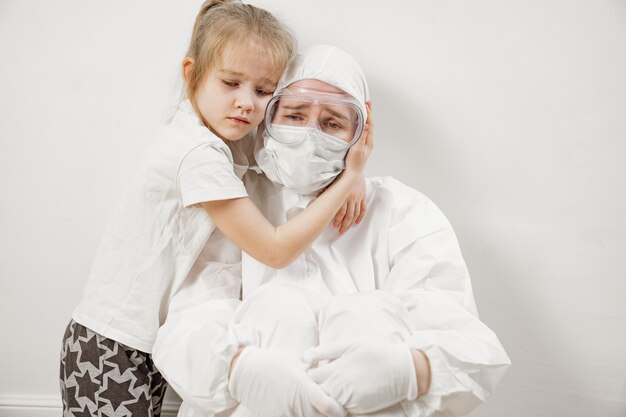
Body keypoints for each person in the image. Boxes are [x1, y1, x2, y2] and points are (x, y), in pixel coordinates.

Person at [152, 45, 511, 417]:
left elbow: (472, 348)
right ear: (268, 118)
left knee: (366, 315)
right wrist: (239, 370)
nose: (311, 135)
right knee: (281, 309)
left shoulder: (403, 213)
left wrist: (412, 370)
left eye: (333, 123)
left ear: (361, 132)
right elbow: (184, 326)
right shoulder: (235, 207)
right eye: (294, 115)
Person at [58, 2, 372, 415]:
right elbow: (274, 249)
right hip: (111, 344)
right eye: (231, 83)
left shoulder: (220, 131)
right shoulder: (197, 153)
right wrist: (350, 176)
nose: (246, 104)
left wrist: (351, 155)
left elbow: (286, 160)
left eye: (263, 91)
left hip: (141, 341)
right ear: (192, 74)